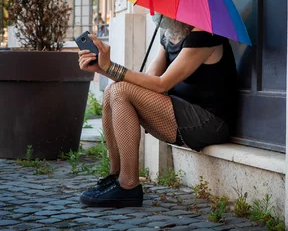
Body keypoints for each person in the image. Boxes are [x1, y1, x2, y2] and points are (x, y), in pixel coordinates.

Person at [77, 13, 238, 207]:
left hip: (209, 123)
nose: (155, 12)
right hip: (181, 116)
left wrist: (111, 66)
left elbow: (162, 84)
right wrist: (101, 69)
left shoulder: (205, 35)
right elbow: (149, 79)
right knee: (112, 91)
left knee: (120, 90)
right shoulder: (170, 34)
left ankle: (128, 185)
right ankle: (116, 178)